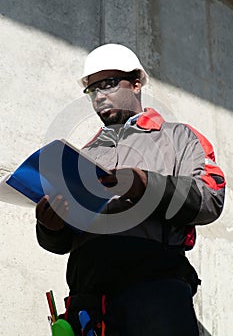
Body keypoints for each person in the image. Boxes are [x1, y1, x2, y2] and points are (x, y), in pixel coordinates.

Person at [36, 43, 225, 336]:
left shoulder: (179, 137)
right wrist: (51, 227)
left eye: (108, 84)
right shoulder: (82, 156)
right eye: (92, 89)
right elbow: (62, 243)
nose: (99, 95)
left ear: (136, 83)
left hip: (155, 294)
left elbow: (210, 197)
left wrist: (145, 185)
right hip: (87, 302)